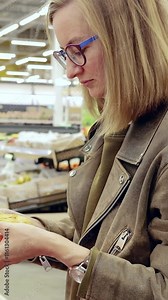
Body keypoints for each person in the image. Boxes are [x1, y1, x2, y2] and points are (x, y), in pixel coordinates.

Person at [0, 0, 168, 299]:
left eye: (78, 50)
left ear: (128, 38)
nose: (71, 72)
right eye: (66, 55)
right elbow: (99, 228)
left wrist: (48, 245)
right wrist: (28, 225)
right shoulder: (116, 127)